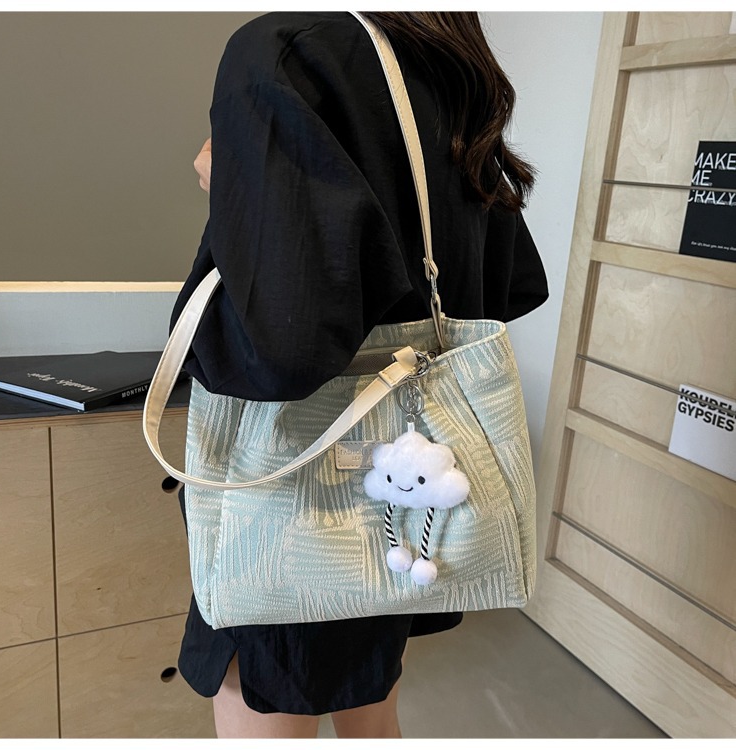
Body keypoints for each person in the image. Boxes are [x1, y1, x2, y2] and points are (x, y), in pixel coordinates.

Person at [171, 11, 548, 739]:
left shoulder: (286, 53)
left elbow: (280, 347)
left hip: (291, 497)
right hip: (408, 487)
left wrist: (233, 189)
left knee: (268, 695)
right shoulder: (449, 64)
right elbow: (511, 284)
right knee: (373, 707)